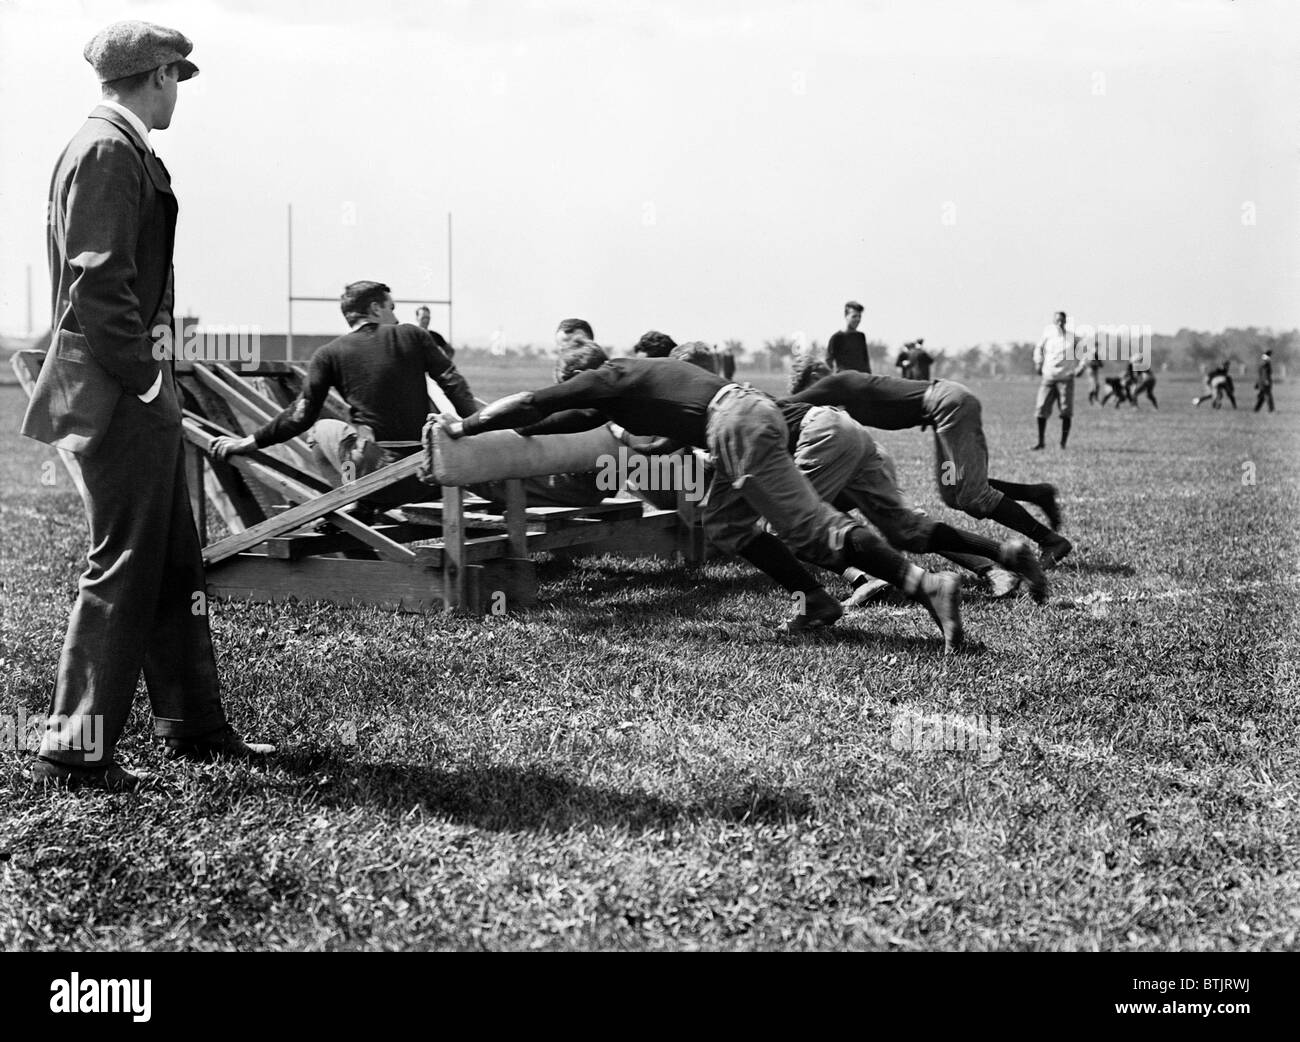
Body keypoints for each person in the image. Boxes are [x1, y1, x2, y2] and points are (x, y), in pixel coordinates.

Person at [20, 20, 273, 791]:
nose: (178, 96)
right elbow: (99, 286)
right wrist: (151, 380)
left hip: (133, 389)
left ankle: (193, 725)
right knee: (126, 564)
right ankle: (74, 743)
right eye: (177, 79)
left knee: (170, 564)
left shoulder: (117, 146)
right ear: (158, 75)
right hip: (121, 391)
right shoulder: (105, 149)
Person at [442, 346, 966, 651]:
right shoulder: (632, 387)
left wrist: (463, 426)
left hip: (735, 425)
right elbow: (557, 421)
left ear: (585, 377)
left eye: (573, 381)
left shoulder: (610, 378)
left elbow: (534, 404)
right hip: (739, 419)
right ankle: (817, 600)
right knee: (725, 522)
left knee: (808, 526)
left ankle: (925, 585)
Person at [211, 281, 477, 509]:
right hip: (431, 474)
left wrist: (249, 442)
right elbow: (453, 384)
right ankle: (356, 494)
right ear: (375, 308)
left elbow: (300, 416)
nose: (395, 318)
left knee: (319, 431)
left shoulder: (328, 354)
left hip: (376, 479)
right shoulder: (412, 335)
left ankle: (351, 494)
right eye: (391, 309)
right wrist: (478, 426)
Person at [785, 367, 1074, 567]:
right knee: (954, 491)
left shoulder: (836, 384)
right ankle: (1037, 493)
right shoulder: (841, 393)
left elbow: (784, 407)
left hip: (950, 406)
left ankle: (1050, 540)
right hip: (942, 415)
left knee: (973, 495)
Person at [1031, 311, 1088, 450]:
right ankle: (1041, 442)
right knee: (1041, 409)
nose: (1060, 323)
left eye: (1062, 321)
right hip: (1049, 377)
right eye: (1057, 321)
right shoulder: (1048, 337)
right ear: (1054, 322)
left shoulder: (1072, 338)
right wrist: (1038, 362)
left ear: (1066, 322)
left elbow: (1085, 352)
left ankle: (1063, 443)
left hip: (1066, 378)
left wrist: (1081, 367)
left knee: (1065, 411)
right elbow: (1038, 349)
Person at [826, 300, 871, 373]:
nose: (858, 319)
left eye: (859, 316)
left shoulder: (860, 337)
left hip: (861, 379)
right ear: (846, 316)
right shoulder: (837, 337)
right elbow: (828, 362)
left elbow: (866, 362)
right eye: (854, 316)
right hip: (844, 380)